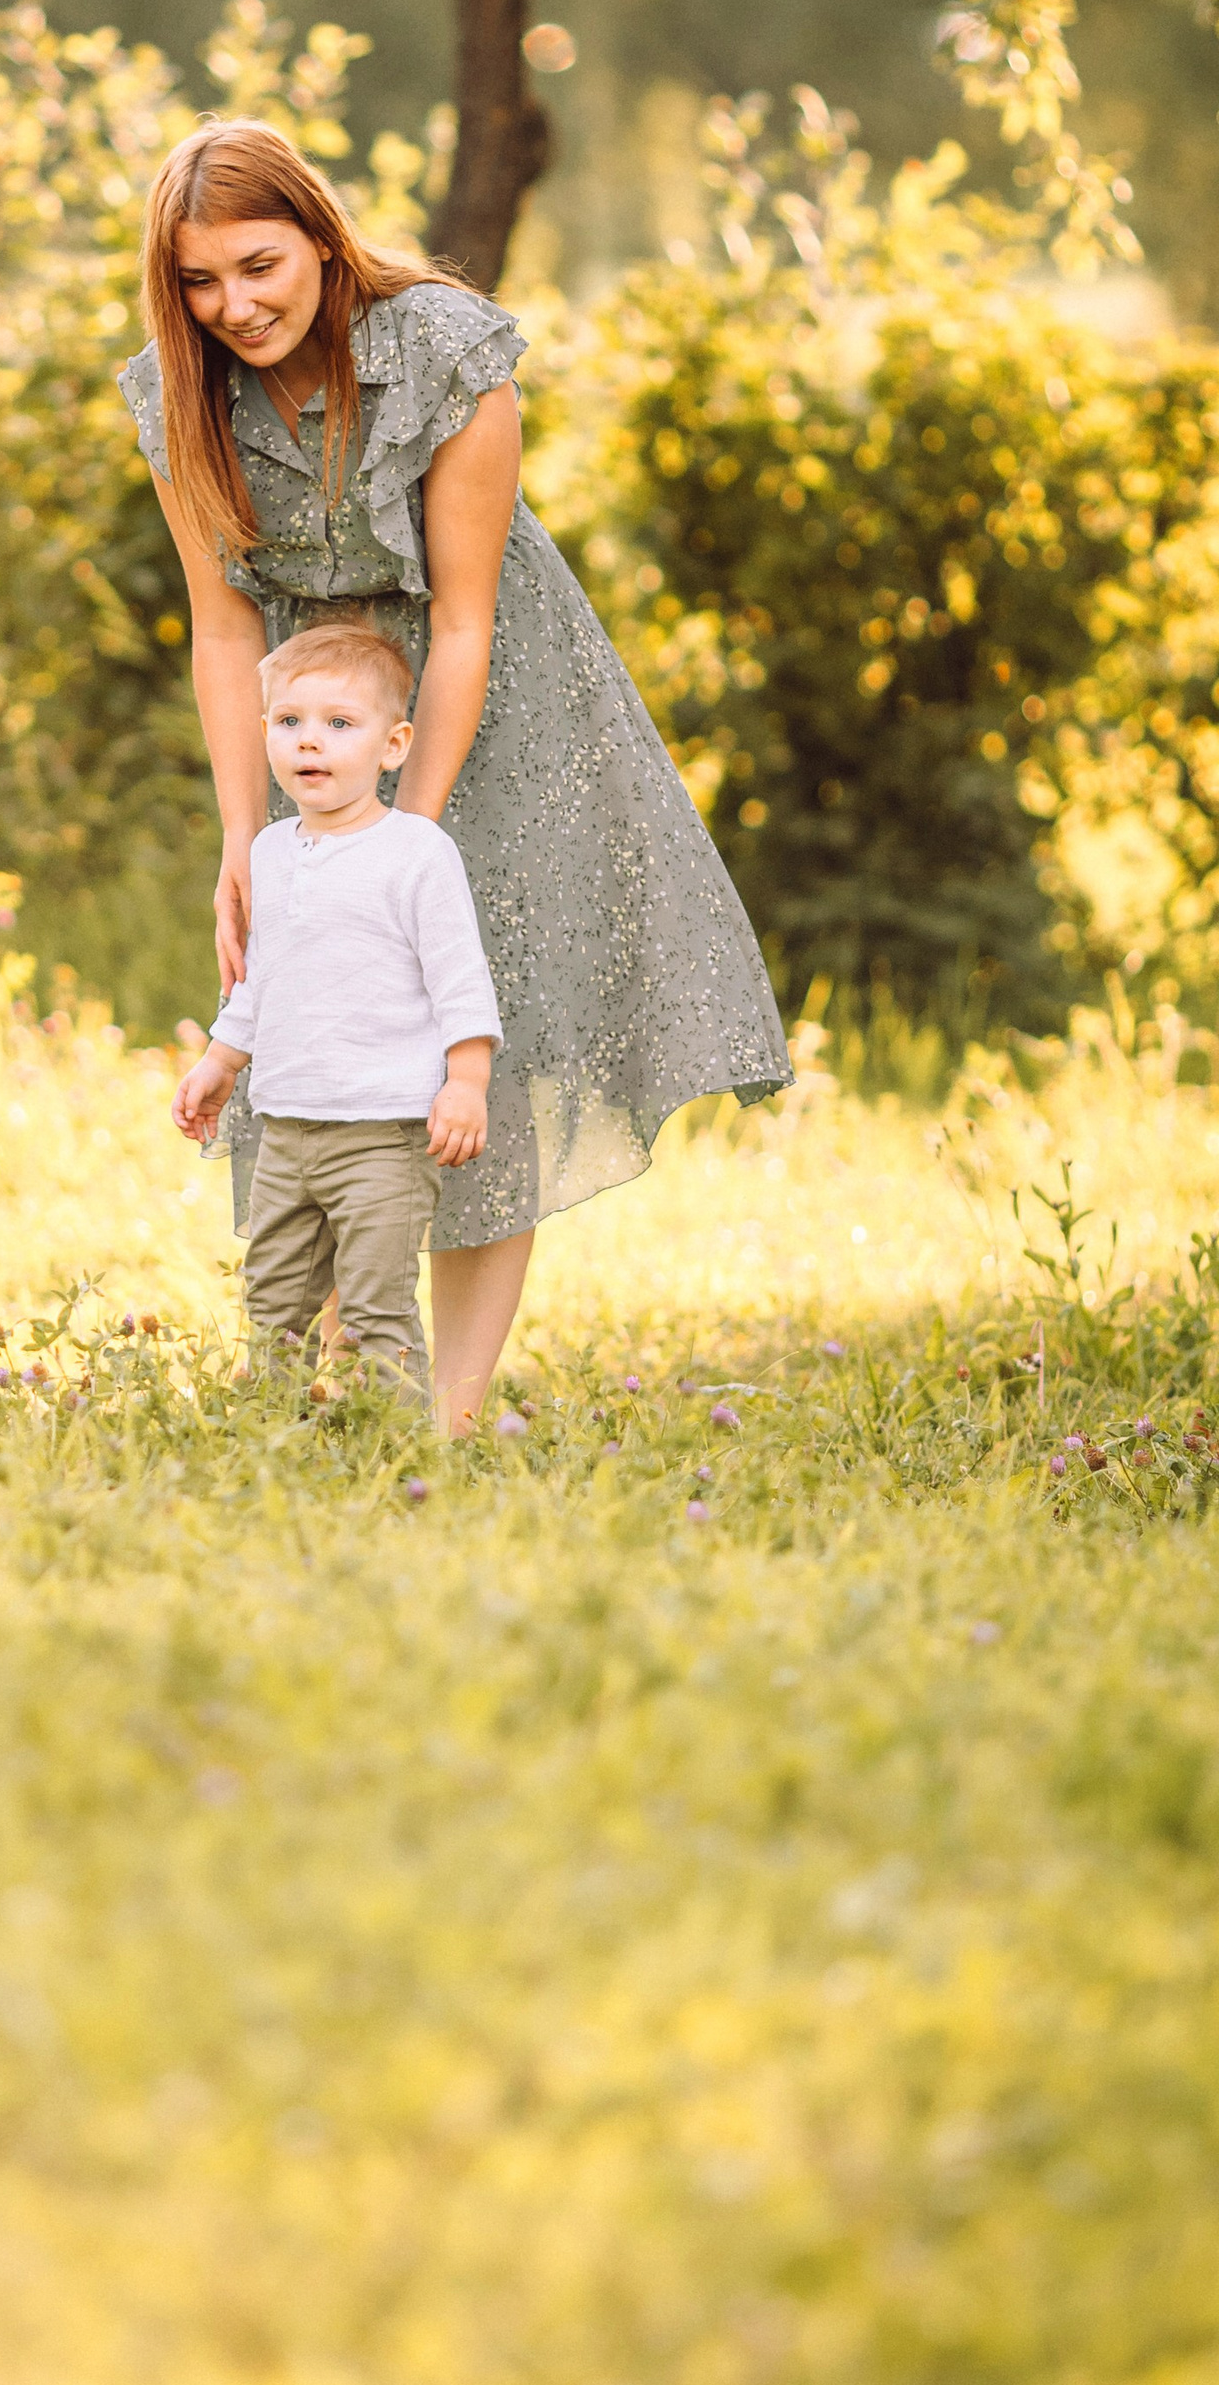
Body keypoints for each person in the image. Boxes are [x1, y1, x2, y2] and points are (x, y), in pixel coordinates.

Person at [122, 115, 789, 1434]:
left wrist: (398, 842)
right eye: (200, 281)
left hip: (483, 704)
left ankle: (452, 1412)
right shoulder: (178, 391)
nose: (234, 305)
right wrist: (247, 841)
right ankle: (339, 1380)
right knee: (311, 1021)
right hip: (315, 709)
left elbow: (470, 616)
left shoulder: (442, 348)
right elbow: (221, 627)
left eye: (259, 265)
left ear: (318, 235)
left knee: (475, 1037)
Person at [173, 620, 499, 1410]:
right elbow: (262, 977)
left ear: (393, 746)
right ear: (265, 736)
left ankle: (397, 1447)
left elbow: (460, 978)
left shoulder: (415, 852)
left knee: (377, 1304)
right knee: (273, 1303)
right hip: (287, 1130)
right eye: (290, 723)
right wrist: (220, 1061)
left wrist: (466, 1081)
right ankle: (267, 1439)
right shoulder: (272, 851)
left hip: (382, 1134)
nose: (309, 742)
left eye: (338, 724)